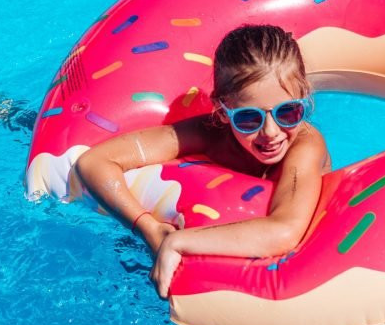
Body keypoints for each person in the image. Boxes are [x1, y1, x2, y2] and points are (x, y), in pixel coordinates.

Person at [75, 24, 331, 299]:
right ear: (222, 112)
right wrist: (148, 228)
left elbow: (285, 231)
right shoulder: (210, 135)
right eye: (248, 118)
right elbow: (94, 161)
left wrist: (178, 242)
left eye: (288, 112)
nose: (271, 132)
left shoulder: (305, 145)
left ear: (304, 101)